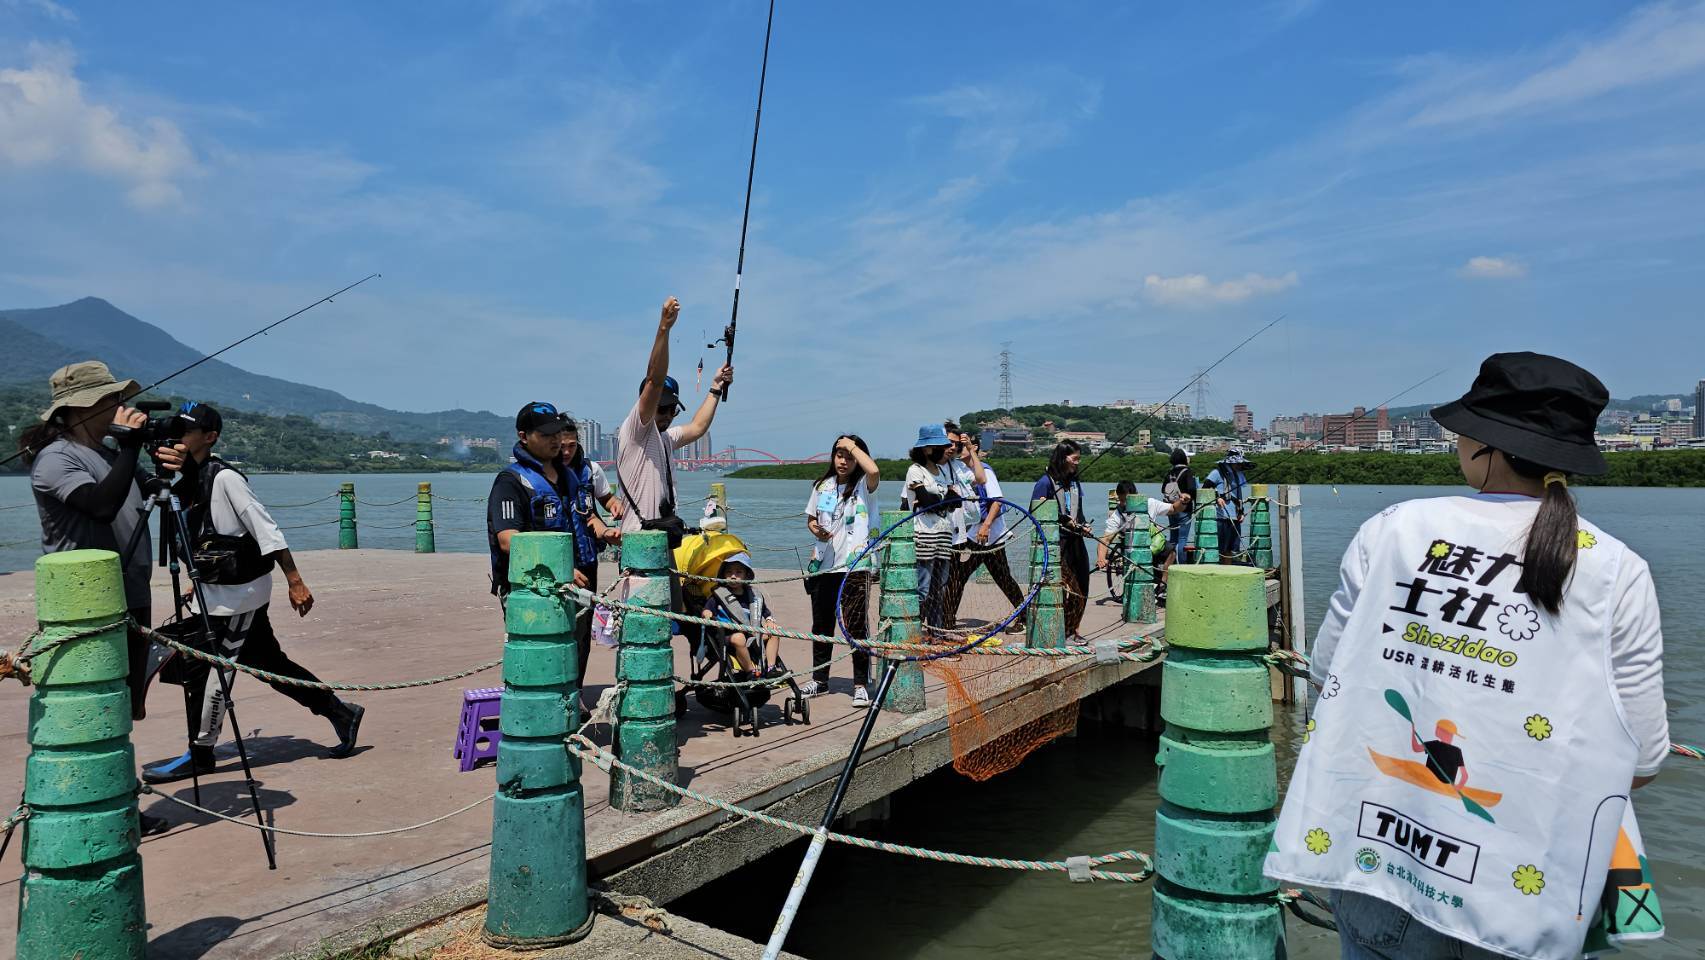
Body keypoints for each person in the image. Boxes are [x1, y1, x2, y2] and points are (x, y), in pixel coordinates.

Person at [1265, 353, 1669, 960]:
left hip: (1386, 871)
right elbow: (1643, 755)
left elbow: (1330, 675)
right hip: (1522, 898)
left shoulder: (1395, 528)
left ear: (1487, 446)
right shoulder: (1617, 569)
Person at [141, 402, 364, 784]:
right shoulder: (188, 480)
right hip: (216, 595)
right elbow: (205, 537)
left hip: (239, 596)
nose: (178, 436)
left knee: (211, 674)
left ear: (209, 437)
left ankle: (201, 754)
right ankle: (339, 711)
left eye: (187, 430)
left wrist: (296, 581)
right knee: (268, 663)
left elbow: (267, 531)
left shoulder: (225, 478)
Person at [20, 361, 173, 834]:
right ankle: (97, 809)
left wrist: (171, 463)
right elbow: (101, 505)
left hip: (129, 593)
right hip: (87, 604)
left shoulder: (109, 453)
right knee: (95, 709)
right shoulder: (57, 459)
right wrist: (128, 448)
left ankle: (117, 801)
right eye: (108, 401)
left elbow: (159, 490)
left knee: (122, 707)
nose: (119, 408)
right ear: (79, 410)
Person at [488, 402, 622, 687]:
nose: (555, 440)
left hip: (581, 579)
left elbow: (584, 515)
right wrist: (559, 568)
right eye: (545, 434)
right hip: (535, 588)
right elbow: (507, 539)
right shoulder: (511, 482)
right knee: (540, 657)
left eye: (557, 433)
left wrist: (603, 529)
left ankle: (573, 700)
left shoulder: (571, 477)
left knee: (579, 645)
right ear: (523, 436)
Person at [616, 296, 733, 539]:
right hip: (639, 541)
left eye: (673, 410)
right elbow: (654, 380)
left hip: (663, 539)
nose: (668, 416)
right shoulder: (637, 431)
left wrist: (715, 386)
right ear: (645, 405)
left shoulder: (666, 438)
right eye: (661, 409)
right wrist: (664, 329)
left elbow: (698, 427)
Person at [801, 434, 880, 706]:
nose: (843, 461)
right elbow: (811, 519)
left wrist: (852, 445)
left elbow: (874, 470)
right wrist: (816, 530)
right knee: (821, 623)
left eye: (848, 456)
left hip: (855, 565)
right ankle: (820, 679)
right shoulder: (822, 486)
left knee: (856, 624)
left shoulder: (864, 485)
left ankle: (860, 684)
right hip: (823, 564)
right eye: (839, 455)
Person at [943, 423, 1028, 634]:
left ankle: (1025, 616)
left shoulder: (984, 469)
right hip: (972, 532)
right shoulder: (956, 469)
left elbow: (997, 500)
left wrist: (986, 526)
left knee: (993, 577)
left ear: (974, 449)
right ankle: (947, 620)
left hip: (987, 534)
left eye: (962, 448)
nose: (957, 451)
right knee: (960, 576)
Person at [1031, 440, 1092, 638]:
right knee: (1066, 586)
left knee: (1082, 584)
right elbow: (1037, 512)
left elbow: (1079, 511)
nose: (1077, 463)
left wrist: (1083, 525)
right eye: (1075, 459)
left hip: (1076, 541)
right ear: (1063, 458)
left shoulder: (1075, 483)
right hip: (1057, 543)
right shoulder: (1045, 483)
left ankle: (1072, 629)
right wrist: (1065, 521)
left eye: (1079, 459)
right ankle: (1057, 629)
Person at [901, 424, 959, 632]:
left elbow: (956, 501)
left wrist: (940, 499)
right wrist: (944, 498)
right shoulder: (915, 470)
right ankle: (912, 632)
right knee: (922, 588)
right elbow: (927, 501)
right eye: (939, 446)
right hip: (924, 535)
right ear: (926, 449)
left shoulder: (942, 471)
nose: (944, 450)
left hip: (943, 535)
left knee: (939, 589)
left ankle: (937, 632)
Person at [701, 554, 781, 680]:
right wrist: (707, 613)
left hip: (751, 634)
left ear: (746, 575)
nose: (733, 576)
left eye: (738, 572)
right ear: (723, 575)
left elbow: (765, 611)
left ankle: (770, 667)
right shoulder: (719, 595)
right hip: (727, 635)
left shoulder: (754, 595)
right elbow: (707, 609)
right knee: (739, 638)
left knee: (774, 632)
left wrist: (770, 621)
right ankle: (751, 671)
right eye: (729, 572)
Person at [1096, 480, 1141, 602]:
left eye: (1125, 500)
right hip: (1128, 543)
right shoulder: (1117, 514)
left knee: (1171, 551)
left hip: (1147, 540)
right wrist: (1101, 558)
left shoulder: (1148, 504)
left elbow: (1172, 508)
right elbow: (1105, 539)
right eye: (1121, 501)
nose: (1123, 504)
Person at [1205, 448, 1251, 561]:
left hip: (1235, 516)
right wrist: (1217, 498)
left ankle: (1228, 568)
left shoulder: (1238, 475)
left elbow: (1238, 495)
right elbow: (1205, 488)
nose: (1239, 465)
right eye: (1236, 463)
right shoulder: (1216, 473)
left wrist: (1241, 512)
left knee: (1231, 549)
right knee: (1221, 547)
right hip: (1221, 516)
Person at [1159, 447, 1197, 576]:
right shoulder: (1187, 472)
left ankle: (1169, 566)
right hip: (1184, 509)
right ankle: (1182, 568)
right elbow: (1192, 489)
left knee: (1173, 539)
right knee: (1182, 539)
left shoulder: (1170, 473)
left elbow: (1163, 488)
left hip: (1171, 508)